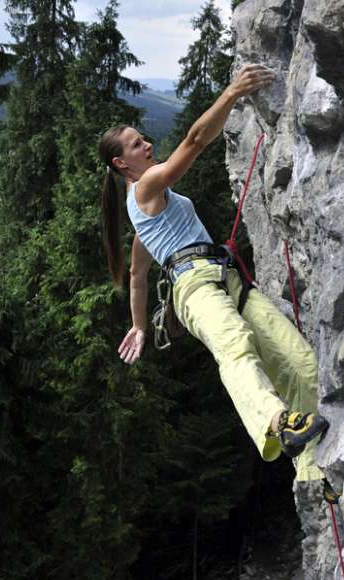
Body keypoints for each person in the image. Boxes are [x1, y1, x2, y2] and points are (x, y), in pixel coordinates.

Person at [97, 63, 327, 481]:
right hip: (195, 288)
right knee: (234, 346)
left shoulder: (147, 218)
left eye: (144, 138)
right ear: (121, 162)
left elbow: (137, 275)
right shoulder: (146, 188)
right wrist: (231, 93)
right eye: (136, 144)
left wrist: (139, 325)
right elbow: (196, 139)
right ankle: (277, 422)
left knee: (302, 364)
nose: (147, 144)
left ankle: (312, 471)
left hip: (227, 280)